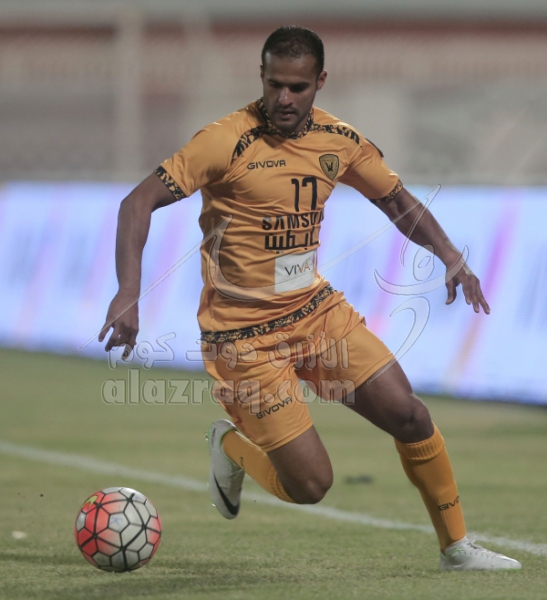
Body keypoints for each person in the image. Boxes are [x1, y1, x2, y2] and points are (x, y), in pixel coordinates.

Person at [99, 26, 521, 571]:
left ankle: (456, 548)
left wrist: (451, 256)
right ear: (261, 76)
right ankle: (231, 448)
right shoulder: (224, 141)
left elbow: (396, 202)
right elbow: (137, 203)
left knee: (410, 415)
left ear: (320, 81)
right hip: (243, 340)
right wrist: (128, 293)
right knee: (311, 485)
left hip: (315, 315)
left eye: (297, 87)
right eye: (274, 84)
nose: (284, 98)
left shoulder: (339, 140)